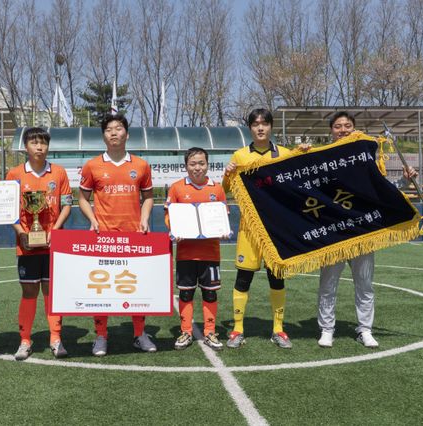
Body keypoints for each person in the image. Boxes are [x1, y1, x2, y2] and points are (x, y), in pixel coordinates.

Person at [317, 111, 418, 348]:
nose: (343, 130)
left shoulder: (366, 158)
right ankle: (327, 329)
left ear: (354, 129)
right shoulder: (320, 159)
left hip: (362, 232)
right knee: (327, 285)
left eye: (347, 125)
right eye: (338, 126)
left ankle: (365, 329)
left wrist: (404, 181)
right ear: (331, 130)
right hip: (334, 232)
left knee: (364, 285)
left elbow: (381, 189)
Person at [78, 113, 157, 356]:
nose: (114, 132)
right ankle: (101, 335)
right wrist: (92, 219)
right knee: (101, 288)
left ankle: (139, 334)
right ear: (103, 136)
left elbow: (148, 197)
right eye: (109, 129)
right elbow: (82, 198)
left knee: (135, 287)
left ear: (127, 134)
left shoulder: (141, 165)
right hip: (103, 236)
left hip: (134, 237)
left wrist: (144, 218)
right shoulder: (92, 165)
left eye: (119, 128)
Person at [222, 108, 293, 349]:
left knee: (277, 279)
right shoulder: (240, 156)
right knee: (243, 278)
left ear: (271, 126)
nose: (260, 128)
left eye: (264, 123)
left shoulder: (285, 154)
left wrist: (305, 154)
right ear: (250, 128)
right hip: (249, 228)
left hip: (277, 229)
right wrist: (227, 174)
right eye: (255, 124)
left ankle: (278, 330)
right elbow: (225, 189)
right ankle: (237, 329)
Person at [6, 127, 72, 360]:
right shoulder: (14, 174)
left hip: (54, 243)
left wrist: (55, 229)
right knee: (29, 291)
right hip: (27, 244)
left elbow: (66, 204)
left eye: (43, 143)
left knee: (51, 291)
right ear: (26, 146)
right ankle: (25, 340)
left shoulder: (59, 172)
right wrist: (21, 233)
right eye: (34, 142)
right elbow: (8, 209)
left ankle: (55, 338)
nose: (39, 147)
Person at [165, 147, 228, 351]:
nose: (197, 168)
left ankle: (210, 332)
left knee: (210, 294)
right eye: (193, 164)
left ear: (208, 165)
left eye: (201, 163)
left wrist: (224, 229)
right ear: (186, 166)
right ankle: (186, 331)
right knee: (186, 293)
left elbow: (223, 215)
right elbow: (169, 216)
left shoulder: (217, 188)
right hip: (186, 253)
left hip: (210, 252)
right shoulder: (176, 188)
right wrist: (174, 229)